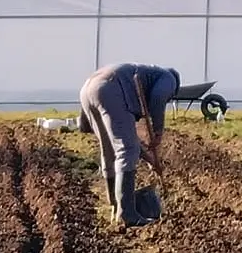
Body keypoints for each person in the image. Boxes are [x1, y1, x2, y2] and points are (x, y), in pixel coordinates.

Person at [77, 62, 180, 227]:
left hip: (88, 89)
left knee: (110, 149)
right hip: (111, 90)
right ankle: (127, 214)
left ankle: (115, 205)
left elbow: (130, 140)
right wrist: (158, 131)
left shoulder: (143, 74)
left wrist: (151, 161)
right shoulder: (169, 78)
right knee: (126, 150)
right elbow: (159, 96)